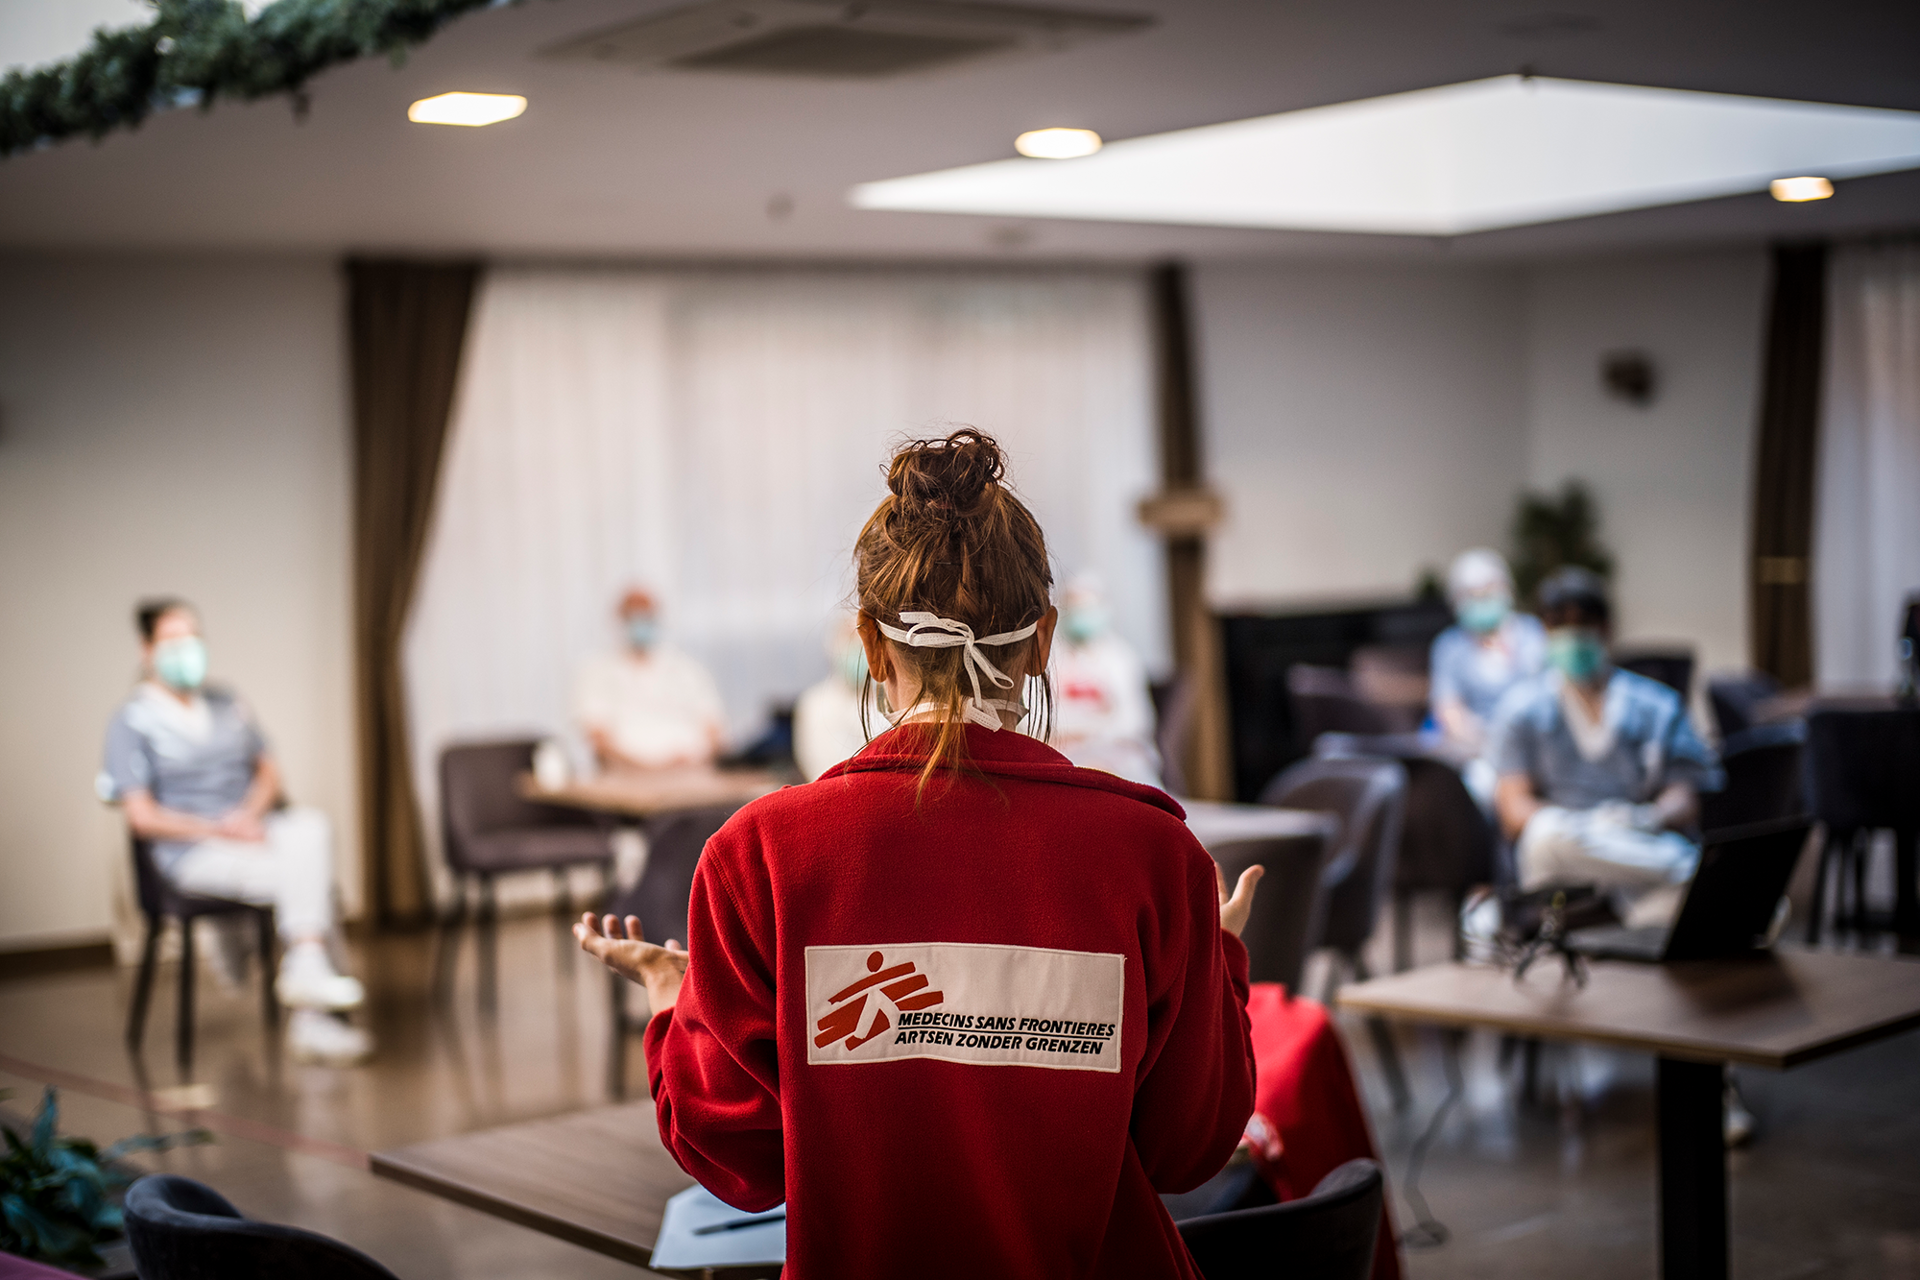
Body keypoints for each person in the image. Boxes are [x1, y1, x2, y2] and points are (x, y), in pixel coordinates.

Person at [575, 430, 1262, 1279]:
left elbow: (738, 1161)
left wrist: (672, 999)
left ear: (868, 644)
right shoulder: (1155, 855)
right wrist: (1216, 960)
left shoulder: (758, 857)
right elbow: (1188, 1150)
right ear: (1043, 640)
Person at [98, 600, 371, 1065]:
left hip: (249, 830)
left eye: (193, 638)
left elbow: (269, 771)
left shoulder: (227, 703)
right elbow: (141, 816)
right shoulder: (131, 721)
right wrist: (216, 829)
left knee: (310, 829)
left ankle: (304, 967)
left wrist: (247, 816)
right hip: (189, 851)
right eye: (173, 641)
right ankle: (313, 1018)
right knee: (311, 882)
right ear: (147, 649)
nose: (187, 650)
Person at [1488, 567, 1722, 927]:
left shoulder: (1657, 705)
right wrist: (1589, 828)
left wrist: (1646, 818)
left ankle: (1640, 918)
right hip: (1565, 855)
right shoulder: (1522, 708)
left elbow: (1685, 799)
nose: (1572, 637)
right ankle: (1689, 871)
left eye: (1582, 624)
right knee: (1544, 835)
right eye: (1558, 627)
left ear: (1607, 628)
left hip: (1638, 838)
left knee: (1678, 907)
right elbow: (1513, 810)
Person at [573, 588, 727, 771]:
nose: (641, 622)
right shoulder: (597, 671)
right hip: (626, 779)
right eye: (634, 616)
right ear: (620, 619)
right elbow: (597, 737)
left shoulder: (686, 669)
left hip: (693, 774)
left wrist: (691, 762)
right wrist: (649, 768)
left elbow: (715, 729)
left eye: (646, 615)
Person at [1428, 548, 1547, 758]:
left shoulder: (1534, 634)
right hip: (1478, 751)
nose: (1482, 599)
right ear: (1456, 601)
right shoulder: (1449, 647)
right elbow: (1448, 710)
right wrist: (1488, 745)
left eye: (1489, 590)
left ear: (1507, 590)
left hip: (1537, 744)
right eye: (1472, 594)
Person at [1049, 573, 1163, 789]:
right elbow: (1035, 716)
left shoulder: (1120, 658)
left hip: (1113, 753)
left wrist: (1087, 735)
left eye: (1086, 607)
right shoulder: (1048, 658)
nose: (1080, 614)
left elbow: (1133, 722)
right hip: (1062, 753)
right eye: (1073, 606)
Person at [791, 616, 871, 782]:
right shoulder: (816, 704)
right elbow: (822, 768)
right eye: (851, 640)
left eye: (864, 640)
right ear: (835, 646)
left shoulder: (889, 701)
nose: (858, 648)